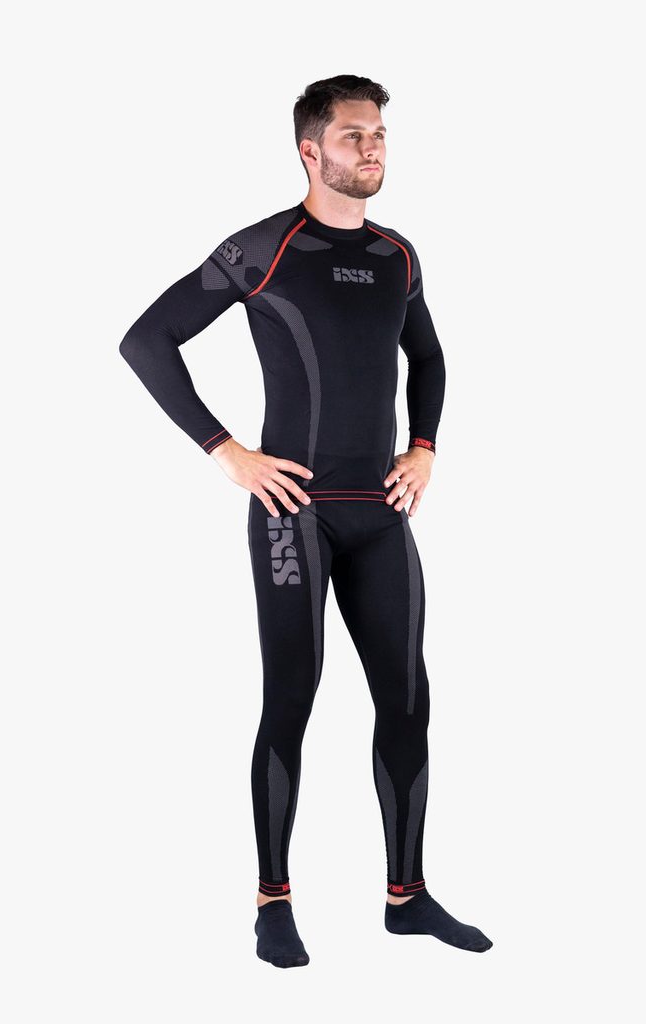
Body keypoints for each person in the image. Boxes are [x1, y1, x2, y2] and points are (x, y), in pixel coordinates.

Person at [119, 74, 493, 968]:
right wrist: (226, 451)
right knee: (291, 697)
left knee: (408, 699)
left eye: (379, 133)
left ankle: (406, 897)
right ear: (309, 150)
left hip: (380, 513)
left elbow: (428, 355)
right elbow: (146, 340)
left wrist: (424, 446)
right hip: (293, 514)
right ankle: (273, 901)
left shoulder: (398, 255)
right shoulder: (263, 247)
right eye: (353, 134)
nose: (372, 147)